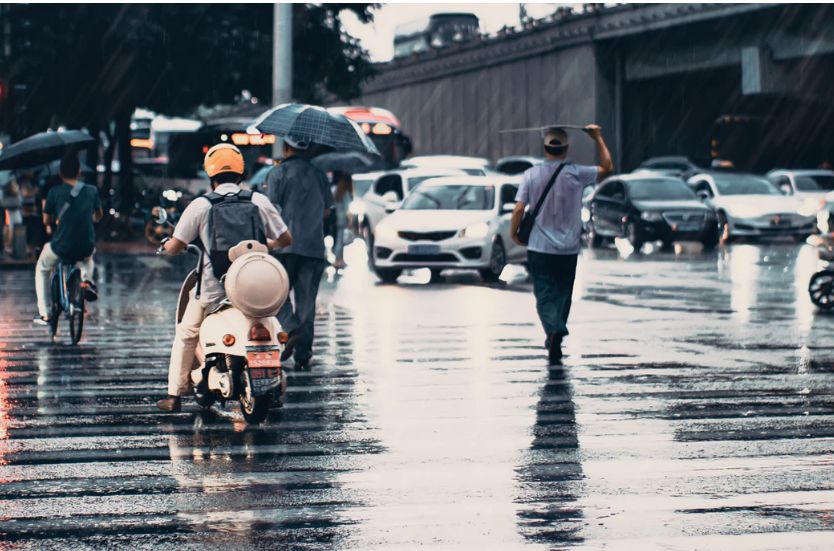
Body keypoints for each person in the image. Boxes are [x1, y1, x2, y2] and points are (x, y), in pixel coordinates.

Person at [156, 144, 292, 412]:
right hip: (256, 285)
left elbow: (174, 246)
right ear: (240, 172)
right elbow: (286, 239)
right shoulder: (258, 201)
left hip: (214, 288)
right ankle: (271, 384)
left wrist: (169, 245)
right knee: (270, 323)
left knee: (186, 332)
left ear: (211, 174)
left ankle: (174, 395)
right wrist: (262, 247)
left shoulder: (200, 205)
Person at [510, 125, 613, 364]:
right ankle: (557, 331)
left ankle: (554, 329)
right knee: (563, 293)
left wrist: (514, 233)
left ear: (545, 148)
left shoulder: (531, 174)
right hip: (568, 248)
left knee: (544, 294)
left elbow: (518, 209)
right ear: (566, 149)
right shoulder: (577, 173)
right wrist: (597, 138)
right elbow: (608, 167)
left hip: (539, 247)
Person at [265, 138, 335, 369]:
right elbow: (327, 210)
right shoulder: (319, 174)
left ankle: (290, 327)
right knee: (307, 304)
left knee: (275, 295)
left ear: (286, 148)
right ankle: (303, 355)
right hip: (313, 247)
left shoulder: (278, 173)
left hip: (283, 246)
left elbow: (270, 209)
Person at [34, 153, 103, 325]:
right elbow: (98, 216)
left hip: (61, 246)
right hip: (85, 245)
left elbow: (45, 221)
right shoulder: (91, 190)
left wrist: (54, 220)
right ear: (79, 171)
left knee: (42, 268)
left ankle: (45, 313)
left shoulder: (54, 192)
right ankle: (87, 280)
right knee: (88, 257)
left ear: (60, 174)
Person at [331, 170, 353, 269]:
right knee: (340, 240)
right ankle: (338, 260)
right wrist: (351, 220)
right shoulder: (346, 193)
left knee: (338, 239)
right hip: (343, 219)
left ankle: (339, 259)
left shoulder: (335, 190)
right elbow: (348, 209)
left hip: (336, 218)